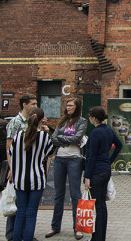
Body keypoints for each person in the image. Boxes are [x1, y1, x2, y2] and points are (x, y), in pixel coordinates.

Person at [9, 107, 54, 241]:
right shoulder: (44, 137)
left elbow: (11, 153)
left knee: (20, 212)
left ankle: (17, 238)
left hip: (19, 179)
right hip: (37, 179)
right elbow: (51, 153)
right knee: (31, 213)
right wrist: (47, 131)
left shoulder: (18, 136)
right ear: (41, 120)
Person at [46, 97, 88, 240]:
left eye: (71, 105)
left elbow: (77, 139)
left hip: (74, 160)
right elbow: (53, 138)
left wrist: (61, 138)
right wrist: (65, 138)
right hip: (59, 159)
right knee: (58, 194)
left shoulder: (81, 121)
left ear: (77, 107)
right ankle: (55, 227)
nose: (68, 107)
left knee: (75, 194)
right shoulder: (62, 120)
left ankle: (78, 228)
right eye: (67, 105)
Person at [84, 106, 122, 241]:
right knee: (101, 205)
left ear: (94, 118)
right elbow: (119, 145)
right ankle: (100, 236)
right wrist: (109, 160)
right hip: (105, 170)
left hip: (96, 172)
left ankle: (97, 238)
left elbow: (91, 156)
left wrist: (86, 176)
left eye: (90, 116)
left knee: (98, 205)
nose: (89, 119)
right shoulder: (108, 130)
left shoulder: (95, 133)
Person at [5, 93, 38, 241]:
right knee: (16, 202)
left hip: (28, 168)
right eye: (33, 104)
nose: (35, 107)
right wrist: (12, 169)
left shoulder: (31, 122)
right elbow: (8, 148)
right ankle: (11, 234)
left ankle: (26, 233)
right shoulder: (15, 123)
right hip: (18, 169)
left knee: (24, 205)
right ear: (24, 105)